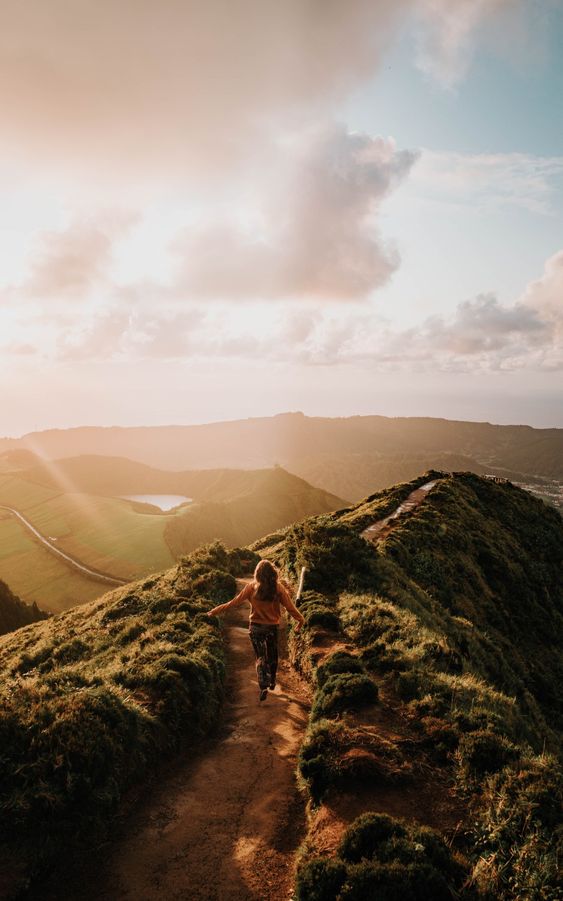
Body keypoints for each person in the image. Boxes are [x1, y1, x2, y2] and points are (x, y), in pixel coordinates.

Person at [207, 559, 305, 702]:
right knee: (273, 655)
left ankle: (262, 682)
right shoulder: (278, 588)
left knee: (260, 656)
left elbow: (233, 603)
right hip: (271, 627)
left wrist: (214, 611)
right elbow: (290, 608)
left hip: (255, 628)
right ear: (273, 573)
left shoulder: (251, 587)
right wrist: (300, 620)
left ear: (257, 574)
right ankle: (272, 681)